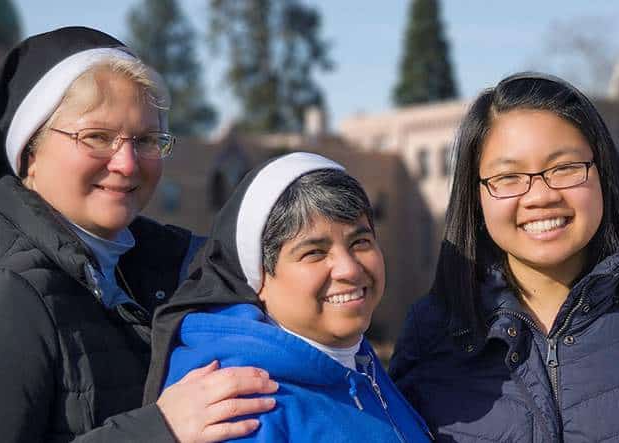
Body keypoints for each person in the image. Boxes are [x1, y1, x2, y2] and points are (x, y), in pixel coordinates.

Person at [0, 27, 276, 442]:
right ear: (29, 153)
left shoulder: (160, 270)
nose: (126, 163)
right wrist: (159, 429)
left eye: (145, 140)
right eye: (97, 137)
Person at [389, 72, 619, 441]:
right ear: (476, 196)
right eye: (508, 177)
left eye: (565, 168)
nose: (540, 196)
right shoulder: (430, 335)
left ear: (604, 174)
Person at [143, 153, 431, 442]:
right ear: (259, 277)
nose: (350, 269)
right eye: (314, 253)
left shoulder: (355, 360)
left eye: (360, 242)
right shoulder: (238, 409)